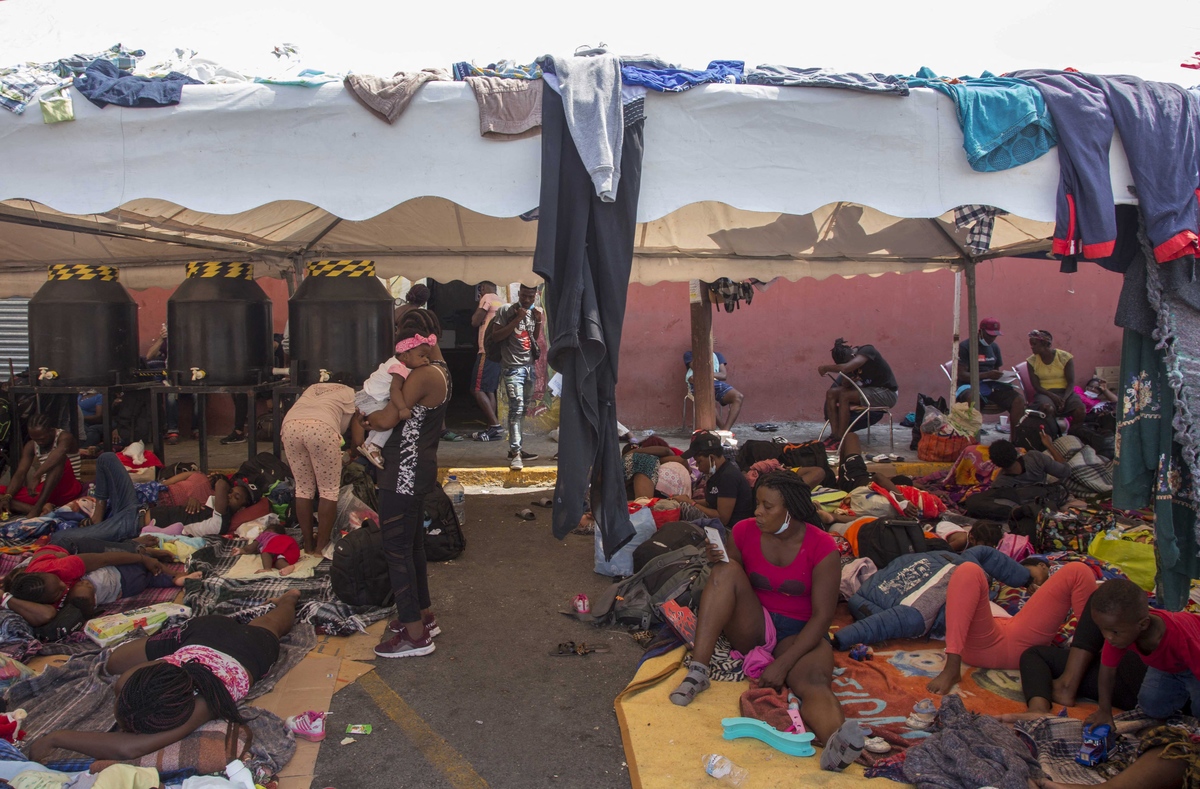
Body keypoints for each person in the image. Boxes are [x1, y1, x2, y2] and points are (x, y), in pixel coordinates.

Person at [669, 471, 862, 772]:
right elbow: (730, 585)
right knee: (725, 570)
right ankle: (698, 670)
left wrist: (783, 664)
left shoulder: (822, 547)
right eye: (757, 503)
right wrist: (716, 560)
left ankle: (836, 747)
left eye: (767, 506)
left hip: (800, 633)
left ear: (791, 511)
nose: (757, 511)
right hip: (755, 625)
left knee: (813, 682)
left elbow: (823, 617)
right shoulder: (745, 531)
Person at [27, 591, 299, 762]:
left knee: (274, 624)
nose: (124, 729)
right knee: (111, 664)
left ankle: (290, 597)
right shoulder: (129, 681)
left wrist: (56, 738)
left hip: (247, 649)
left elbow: (129, 750)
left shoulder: (202, 704)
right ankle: (286, 599)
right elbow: (127, 730)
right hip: (198, 638)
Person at [365, 311, 451, 659]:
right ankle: (424, 616)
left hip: (404, 469)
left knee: (395, 549)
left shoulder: (422, 375)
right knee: (412, 545)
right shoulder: (441, 370)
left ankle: (414, 635)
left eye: (407, 346)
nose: (403, 355)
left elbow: (388, 417)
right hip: (419, 468)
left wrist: (364, 415)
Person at [925, 559, 1097, 695]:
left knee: (1078, 570)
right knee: (967, 569)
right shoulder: (999, 585)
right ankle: (952, 665)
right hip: (985, 640)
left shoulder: (1030, 591)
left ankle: (1090, 654)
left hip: (1026, 642)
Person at [1001, 592, 1147, 720]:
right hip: (1126, 680)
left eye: (1114, 632)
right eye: (1105, 631)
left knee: (1108, 595)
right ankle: (1038, 710)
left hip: (1141, 684)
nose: (1108, 637)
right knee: (1034, 654)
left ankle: (1065, 687)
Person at [1087, 578, 1200, 729]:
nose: (1107, 637)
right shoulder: (1118, 632)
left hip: (1195, 663)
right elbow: (1107, 672)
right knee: (1151, 708)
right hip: (1168, 667)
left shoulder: (1180, 638)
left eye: (1113, 631)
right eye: (1102, 629)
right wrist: (1104, 711)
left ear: (1143, 625)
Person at [4, 542, 197, 625]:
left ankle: (146, 553)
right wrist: (6, 599)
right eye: (58, 592)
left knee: (133, 564)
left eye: (60, 583)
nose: (64, 586)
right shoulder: (36, 600)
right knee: (133, 579)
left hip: (80, 552)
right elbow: (47, 614)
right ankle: (167, 575)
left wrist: (141, 558)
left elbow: (103, 558)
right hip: (113, 581)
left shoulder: (61, 569)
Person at [280, 375, 356, 556]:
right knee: (328, 490)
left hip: (290, 426)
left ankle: (307, 544)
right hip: (322, 428)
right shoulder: (350, 393)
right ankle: (320, 547)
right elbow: (343, 428)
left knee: (303, 489)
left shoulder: (313, 387)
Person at [351, 342, 429, 470]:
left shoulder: (396, 362)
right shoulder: (399, 369)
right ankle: (375, 446)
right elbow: (395, 390)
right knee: (388, 421)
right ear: (405, 356)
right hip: (370, 398)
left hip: (368, 396)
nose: (426, 360)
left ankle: (368, 443)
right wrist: (402, 408)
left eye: (427, 356)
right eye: (421, 356)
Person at [490, 285, 542, 471]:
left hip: (528, 367)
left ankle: (516, 449)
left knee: (522, 411)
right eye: (524, 295)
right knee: (516, 407)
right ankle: (516, 453)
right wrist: (517, 319)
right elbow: (496, 336)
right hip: (512, 368)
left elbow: (532, 341)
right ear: (518, 294)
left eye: (531, 296)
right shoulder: (506, 310)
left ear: (535, 295)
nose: (527, 300)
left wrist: (537, 322)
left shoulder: (531, 312)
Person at [817, 338, 899, 444]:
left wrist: (825, 367)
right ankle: (835, 435)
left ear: (853, 356)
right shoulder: (849, 364)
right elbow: (845, 384)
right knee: (832, 393)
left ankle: (841, 438)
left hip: (887, 393)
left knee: (845, 396)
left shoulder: (867, 351)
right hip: (868, 391)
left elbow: (846, 367)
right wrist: (850, 378)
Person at [0, 413, 82, 517]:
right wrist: (7, 497)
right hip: (45, 491)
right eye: (35, 439)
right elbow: (20, 473)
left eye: (42, 438)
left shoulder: (65, 437)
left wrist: (37, 475)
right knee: (4, 495)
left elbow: (58, 455)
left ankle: (37, 509)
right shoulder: (30, 445)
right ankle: (42, 509)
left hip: (68, 489)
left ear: (51, 430)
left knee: (60, 459)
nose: (39, 442)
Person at [674, 432, 754, 530]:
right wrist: (686, 500)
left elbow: (723, 518)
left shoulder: (728, 477)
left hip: (731, 530)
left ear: (711, 458)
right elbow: (711, 502)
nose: (698, 468)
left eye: (699, 462)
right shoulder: (715, 474)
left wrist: (691, 503)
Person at [957, 317, 1027, 427]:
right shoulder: (965, 346)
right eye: (989, 335)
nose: (992, 339)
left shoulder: (994, 347)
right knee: (972, 398)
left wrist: (1000, 377)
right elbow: (961, 375)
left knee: (1018, 400)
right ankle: (973, 435)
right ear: (980, 331)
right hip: (968, 385)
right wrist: (986, 375)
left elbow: (996, 370)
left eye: (995, 336)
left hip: (990, 386)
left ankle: (1015, 439)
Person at [469, 281, 505, 442]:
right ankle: (492, 428)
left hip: (486, 351)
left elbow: (475, 321)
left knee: (476, 389)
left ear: (482, 287)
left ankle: (496, 426)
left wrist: (480, 303)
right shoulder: (501, 301)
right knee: (489, 389)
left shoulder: (487, 298)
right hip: (497, 352)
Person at [1027, 329, 1085, 423]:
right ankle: (1051, 433)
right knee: (1047, 408)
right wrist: (1052, 396)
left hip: (1065, 392)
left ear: (1045, 344)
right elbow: (1036, 386)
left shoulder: (1064, 357)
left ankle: (1074, 433)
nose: (1032, 347)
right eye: (1031, 344)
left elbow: (1071, 383)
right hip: (1045, 393)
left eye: (1034, 344)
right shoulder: (1031, 361)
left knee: (1080, 410)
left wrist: (1064, 399)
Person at [683, 350, 745, 431]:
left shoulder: (718, 355)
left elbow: (723, 375)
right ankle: (724, 430)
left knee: (738, 397)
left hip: (715, 382)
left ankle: (725, 430)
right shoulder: (689, 354)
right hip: (698, 383)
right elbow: (697, 367)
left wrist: (704, 374)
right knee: (709, 398)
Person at [237, 520, 302, 575]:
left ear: (269, 530)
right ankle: (287, 567)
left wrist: (242, 550)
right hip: (292, 547)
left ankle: (267, 569)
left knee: (266, 553)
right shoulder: (278, 542)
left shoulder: (265, 534)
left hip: (281, 541)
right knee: (278, 561)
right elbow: (257, 550)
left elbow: (252, 547)